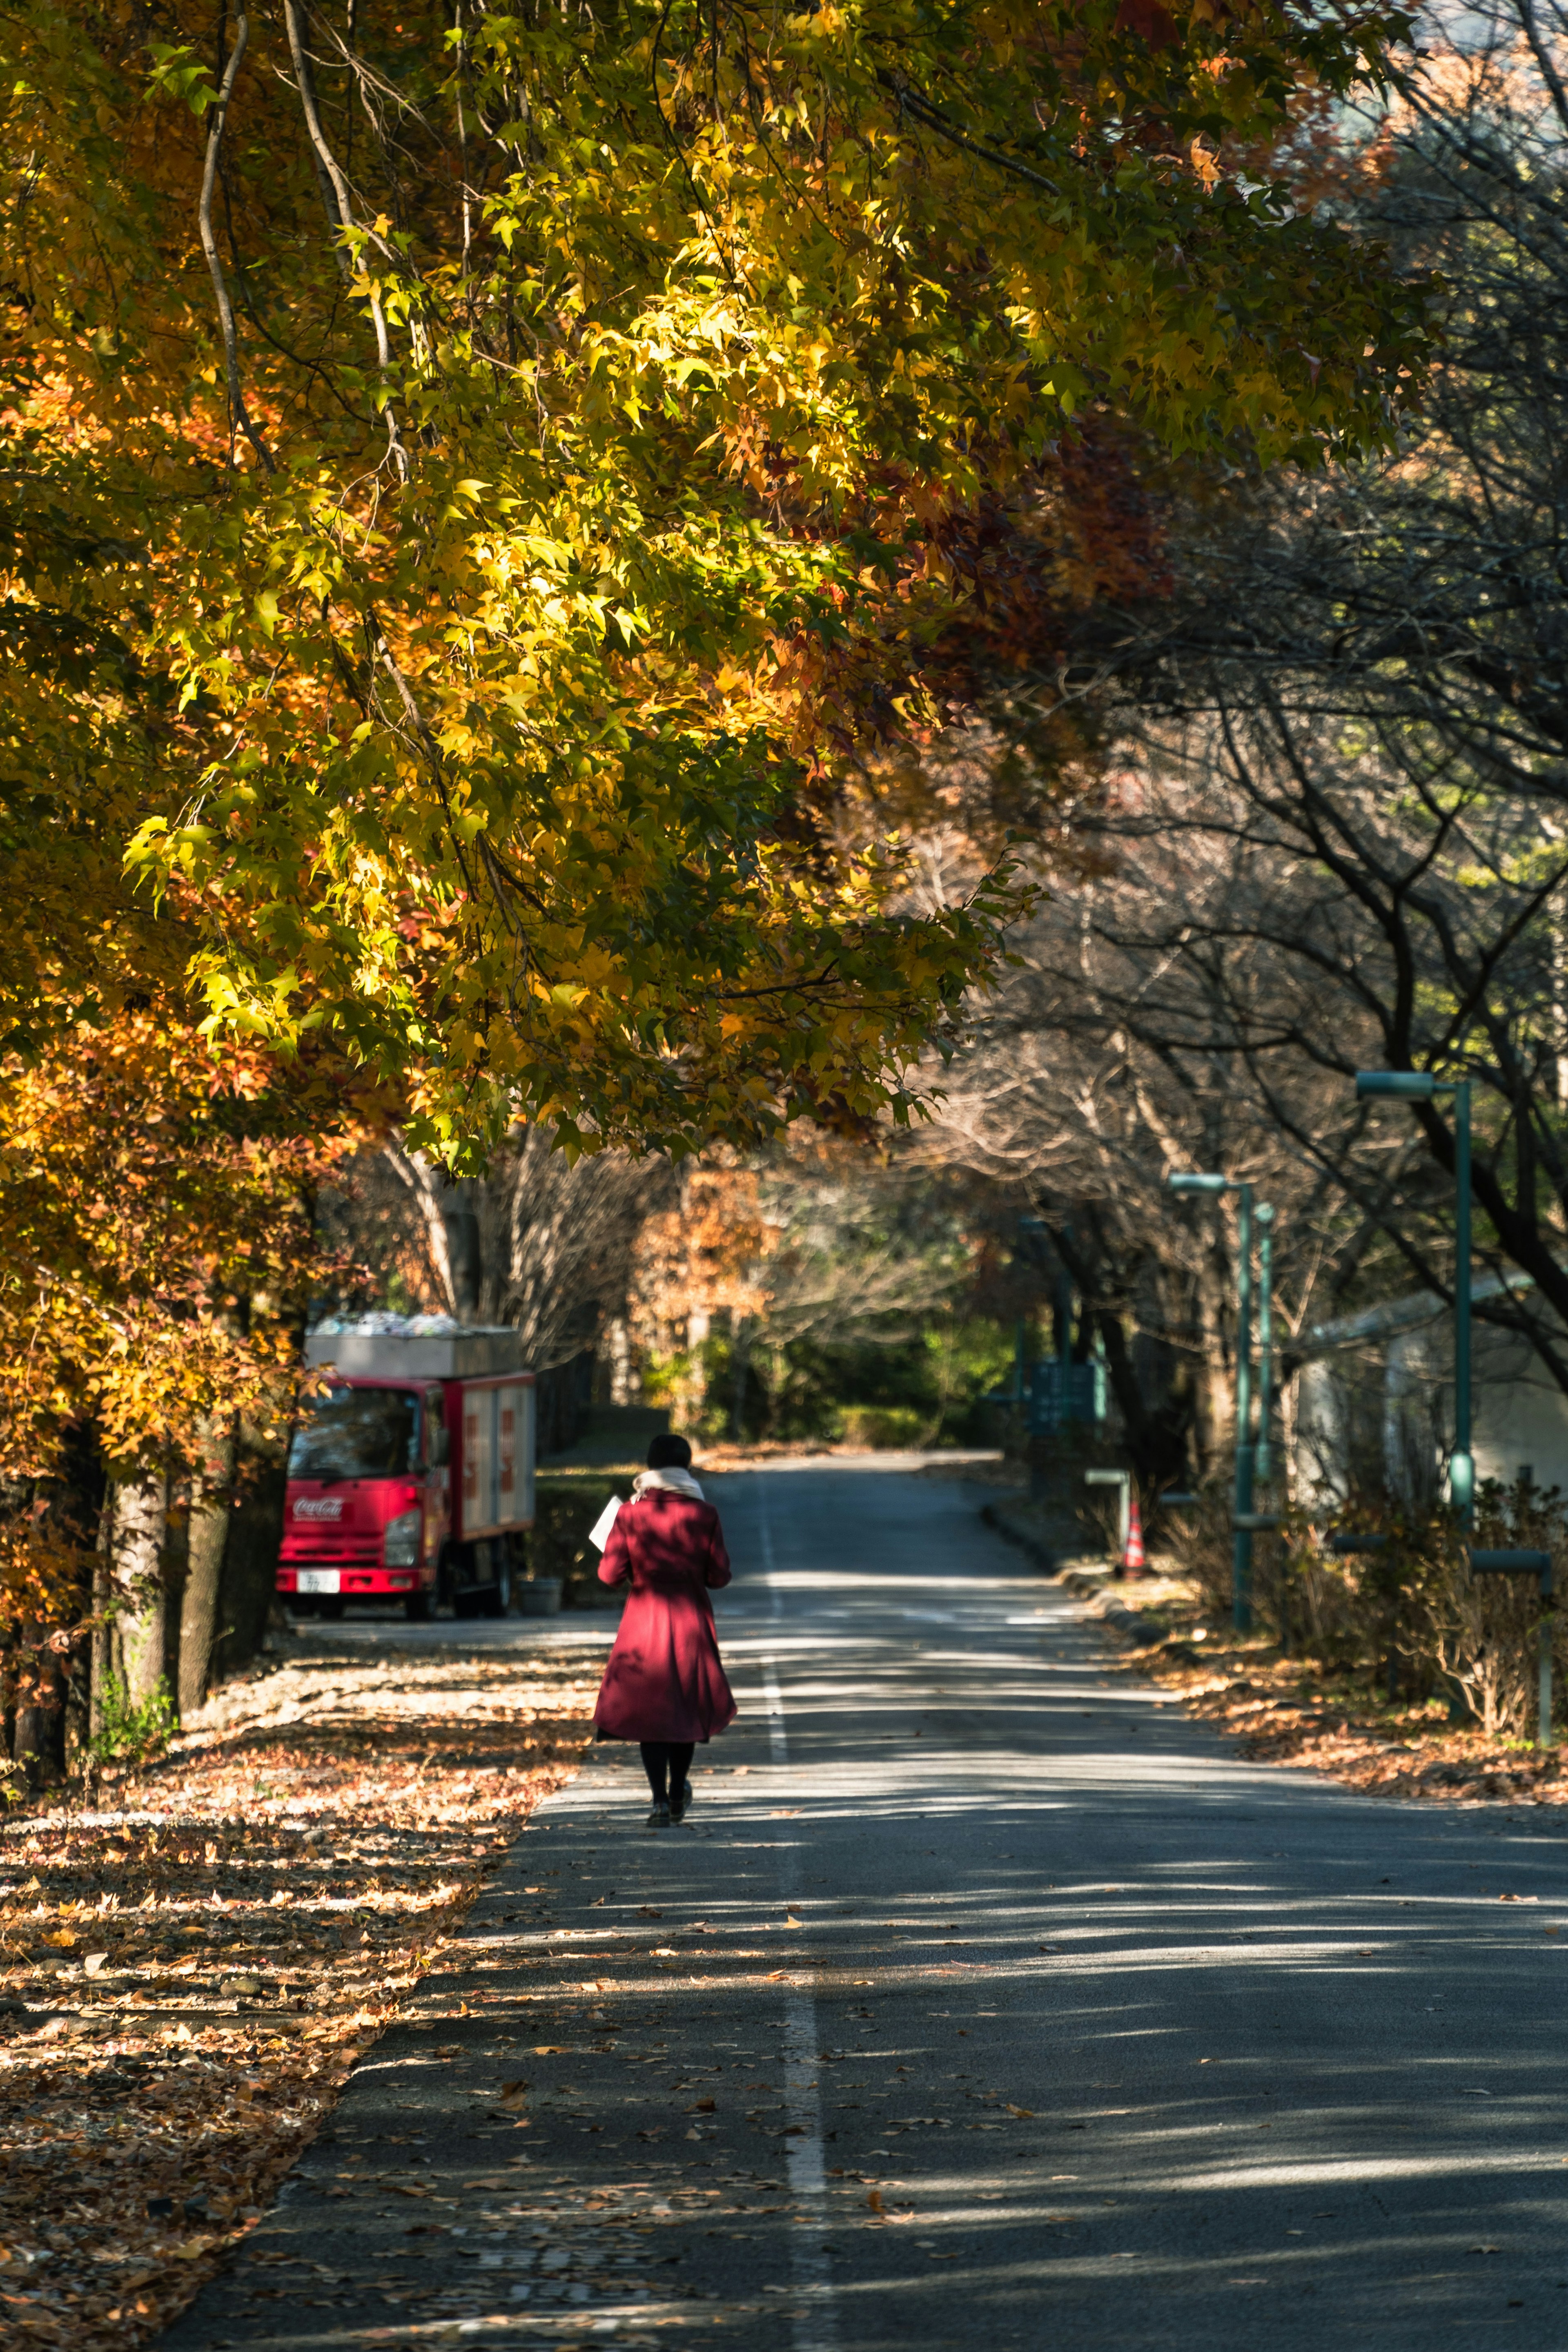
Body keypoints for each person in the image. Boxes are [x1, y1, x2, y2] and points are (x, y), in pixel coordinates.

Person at [592, 1433, 737, 1826]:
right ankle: (677, 1792)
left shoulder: (630, 1515)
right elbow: (720, 1576)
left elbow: (609, 1575)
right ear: (686, 1468)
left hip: (643, 1622)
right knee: (684, 1710)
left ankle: (657, 1799)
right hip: (690, 1622)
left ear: (651, 1466)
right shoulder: (704, 1514)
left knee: (651, 1712)